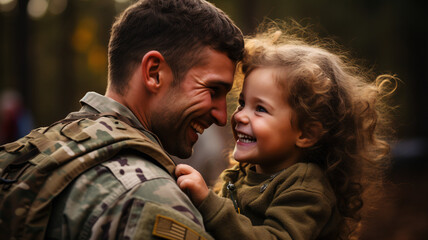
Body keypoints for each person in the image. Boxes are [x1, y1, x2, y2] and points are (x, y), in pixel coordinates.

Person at [0, 0, 243, 239]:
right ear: (154, 72)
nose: (222, 117)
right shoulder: (153, 198)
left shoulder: (34, 152)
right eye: (212, 90)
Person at [175, 23, 395, 240]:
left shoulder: (306, 189)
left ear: (306, 134)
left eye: (260, 109)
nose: (240, 115)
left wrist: (208, 203)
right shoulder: (242, 173)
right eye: (242, 103)